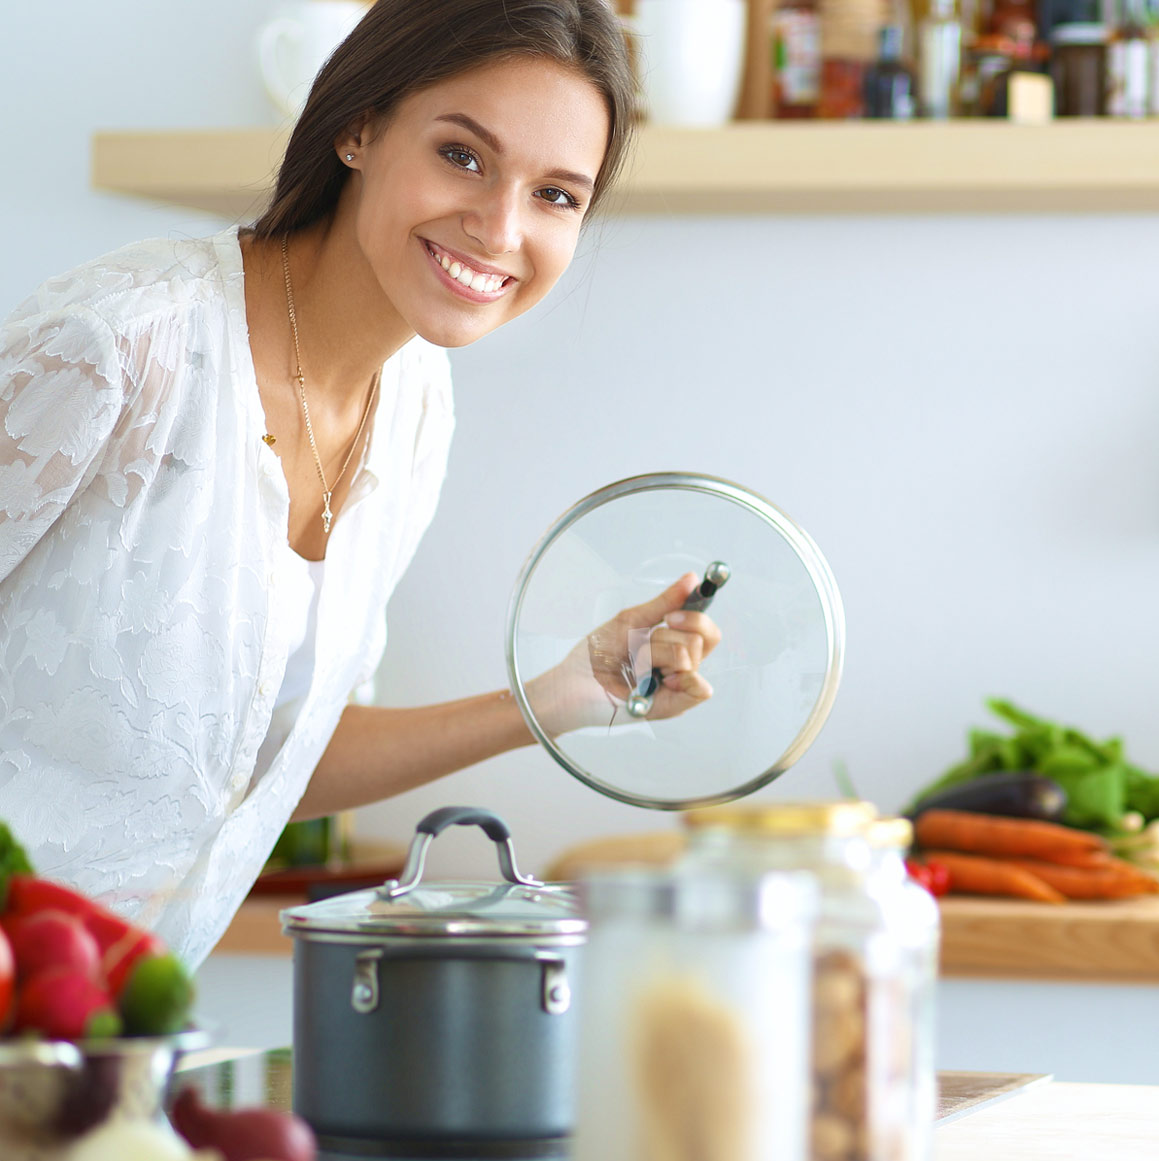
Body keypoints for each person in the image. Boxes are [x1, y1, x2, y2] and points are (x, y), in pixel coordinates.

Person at [0, 0, 720, 966]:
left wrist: (554, 699)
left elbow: (268, 756)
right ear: (358, 125)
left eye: (556, 194)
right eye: (462, 155)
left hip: (101, 1035)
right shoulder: (122, 348)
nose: (500, 226)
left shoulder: (419, 407)